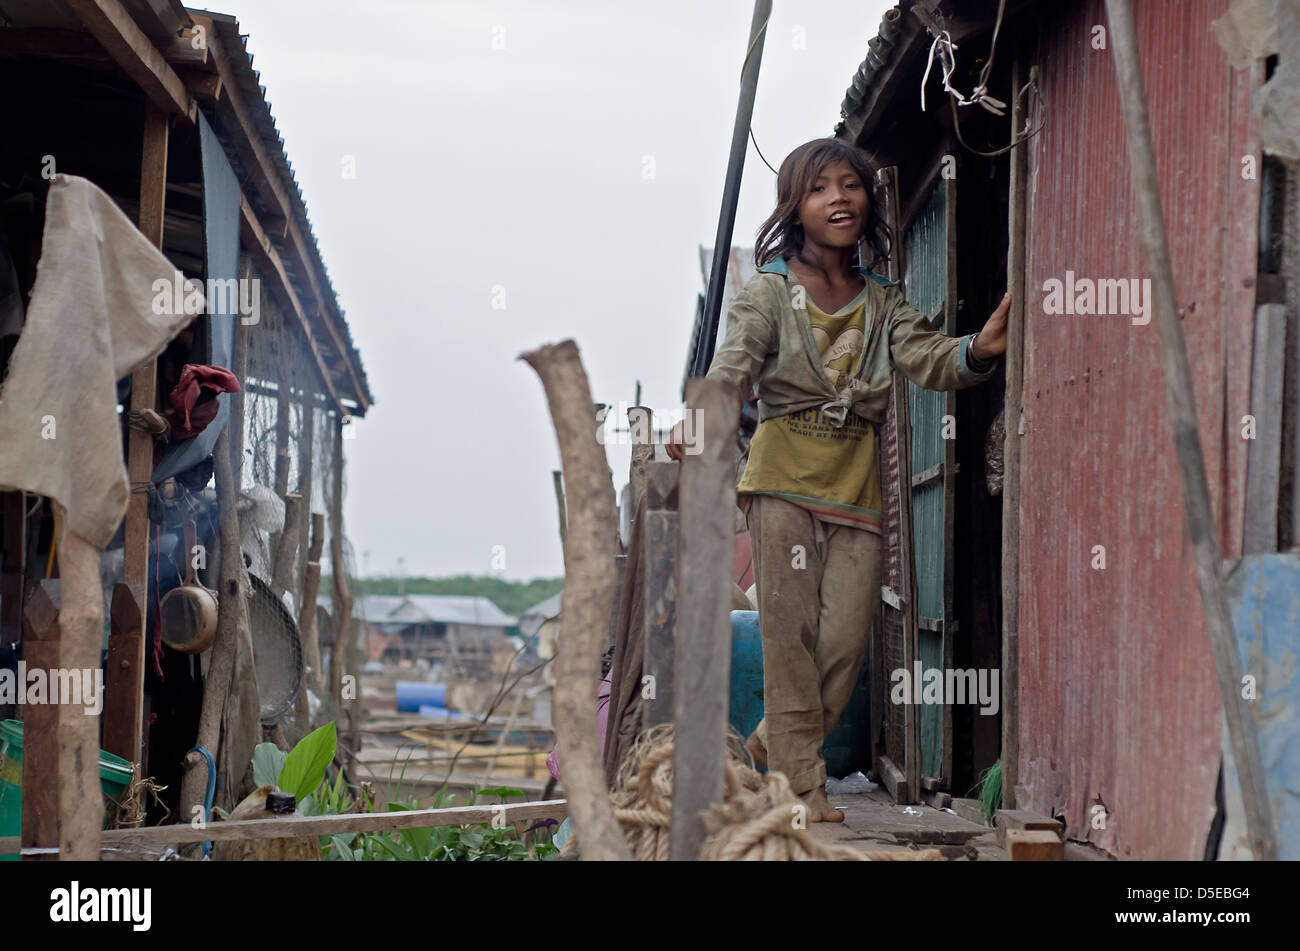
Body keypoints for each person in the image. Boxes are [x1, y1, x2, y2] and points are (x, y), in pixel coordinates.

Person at [667, 137, 1009, 821]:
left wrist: (977, 350)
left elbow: (930, 356)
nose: (839, 197)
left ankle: (775, 745)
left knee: (846, 644)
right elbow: (734, 364)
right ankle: (801, 787)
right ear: (796, 205)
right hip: (780, 485)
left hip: (855, 493)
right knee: (787, 641)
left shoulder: (885, 303)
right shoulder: (768, 292)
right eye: (820, 187)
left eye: (850, 184)